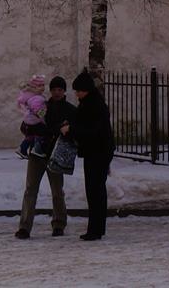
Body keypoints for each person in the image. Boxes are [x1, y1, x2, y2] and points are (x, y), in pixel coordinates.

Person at [16, 75, 72, 239]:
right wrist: (30, 129)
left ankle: (59, 223)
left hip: (55, 154)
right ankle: (25, 227)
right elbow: (27, 124)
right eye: (54, 89)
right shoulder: (41, 104)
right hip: (37, 152)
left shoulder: (69, 109)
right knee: (30, 189)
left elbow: (70, 131)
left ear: (64, 91)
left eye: (60, 90)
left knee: (57, 191)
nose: (56, 92)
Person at [62, 69, 114, 241]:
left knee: (95, 190)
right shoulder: (89, 103)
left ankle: (96, 229)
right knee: (95, 190)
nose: (77, 94)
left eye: (79, 90)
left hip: (98, 152)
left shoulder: (94, 105)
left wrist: (72, 129)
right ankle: (97, 228)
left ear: (86, 90)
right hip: (95, 151)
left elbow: (92, 131)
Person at [16, 74, 49, 158]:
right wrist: (43, 113)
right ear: (33, 88)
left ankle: (22, 149)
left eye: (43, 85)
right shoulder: (37, 98)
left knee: (30, 136)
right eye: (39, 86)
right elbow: (37, 109)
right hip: (35, 121)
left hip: (28, 121)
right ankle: (36, 149)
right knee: (41, 133)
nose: (42, 88)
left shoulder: (30, 96)